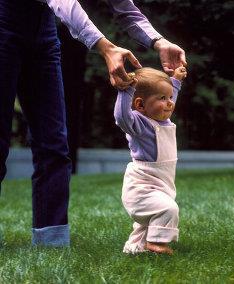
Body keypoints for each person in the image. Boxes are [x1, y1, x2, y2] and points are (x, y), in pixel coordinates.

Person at [0, 0, 186, 247]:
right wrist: (106, 48)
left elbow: (124, 9)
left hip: (43, 34)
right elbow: (63, 3)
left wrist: (158, 41)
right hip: (3, 24)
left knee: (53, 143)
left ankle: (51, 241)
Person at [114, 66, 187, 254]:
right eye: (162, 98)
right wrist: (126, 90)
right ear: (140, 105)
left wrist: (175, 82)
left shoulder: (163, 121)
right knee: (168, 209)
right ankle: (156, 243)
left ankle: (135, 248)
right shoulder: (139, 125)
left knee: (148, 223)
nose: (170, 103)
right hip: (141, 188)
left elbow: (169, 100)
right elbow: (122, 117)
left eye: (170, 97)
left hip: (161, 184)